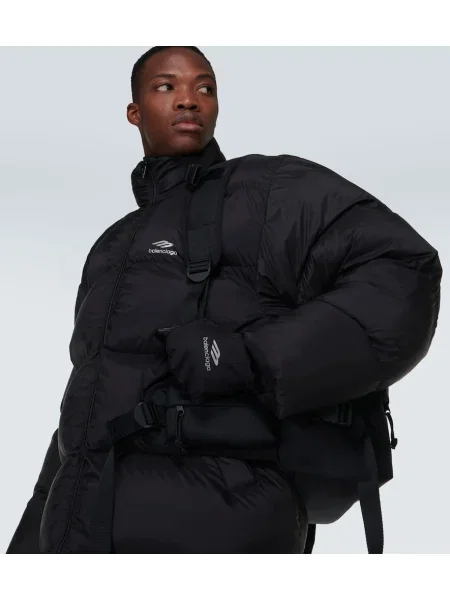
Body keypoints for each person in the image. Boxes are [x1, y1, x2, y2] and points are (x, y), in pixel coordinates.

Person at [6, 46, 442, 554]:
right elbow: (84, 413)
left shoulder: (264, 191)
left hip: (220, 523)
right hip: (82, 534)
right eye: (166, 86)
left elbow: (402, 269)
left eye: (205, 88)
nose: (188, 99)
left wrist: (249, 356)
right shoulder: (110, 248)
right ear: (134, 112)